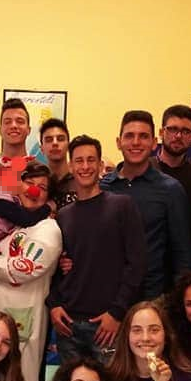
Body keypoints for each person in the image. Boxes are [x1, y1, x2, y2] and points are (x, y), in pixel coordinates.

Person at [48, 135, 146, 362]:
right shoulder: (64, 215)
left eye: (91, 160)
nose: (85, 166)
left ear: (100, 165)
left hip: (107, 325)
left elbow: (137, 264)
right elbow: (55, 267)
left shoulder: (121, 206)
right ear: (71, 166)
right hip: (68, 324)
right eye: (79, 161)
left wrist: (117, 313)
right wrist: (54, 305)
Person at [0, 162, 63, 381]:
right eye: (30, 183)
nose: (34, 190)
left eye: (42, 188)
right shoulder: (14, 224)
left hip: (24, 319)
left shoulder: (48, 228)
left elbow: (26, 267)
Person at [101, 110, 191, 299]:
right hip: (106, 297)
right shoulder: (102, 188)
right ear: (119, 142)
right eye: (129, 136)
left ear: (154, 143)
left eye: (143, 136)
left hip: (152, 298)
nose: (136, 142)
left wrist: (180, 299)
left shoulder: (171, 190)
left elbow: (182, 253)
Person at [156, 104, 191, 226]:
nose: (178, 136)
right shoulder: (144, 170)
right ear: (161, 132)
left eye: (185, 131)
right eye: (173, 129)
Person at [0, 98, 31, 182]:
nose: (13, 125)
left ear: (29, 130)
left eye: (20, 121)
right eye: (7, 122)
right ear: (0, 130)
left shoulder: (42, 171)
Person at [39, 117, 76, 208]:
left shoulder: (80, 181)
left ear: (68, 145)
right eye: (49, 140)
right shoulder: (39, 184)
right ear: (41, 148)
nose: (55, 143)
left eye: (60, 139)